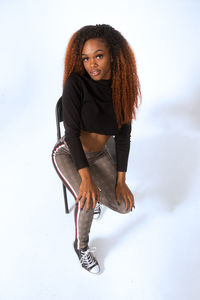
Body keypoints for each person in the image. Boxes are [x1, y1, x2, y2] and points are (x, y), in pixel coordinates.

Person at [52, 24, 141, 274]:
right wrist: (87, 180)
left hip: (99, 154)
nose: (92, 64)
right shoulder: (76, 84)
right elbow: (70, 134)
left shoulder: (122, 90)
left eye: (99, 56)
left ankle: (92, 196)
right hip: (69, 152)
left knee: (124, 205)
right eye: (87, 58)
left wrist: (121, 181)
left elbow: (123, 138)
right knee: (88, 198)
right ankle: (81, 246)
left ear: (113, 54)